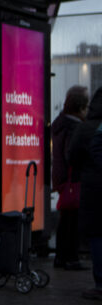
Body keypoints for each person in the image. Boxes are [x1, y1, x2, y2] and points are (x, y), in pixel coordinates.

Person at [68, 87, 102, 300]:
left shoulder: (86, 128)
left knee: (98, 235)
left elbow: (73, 157)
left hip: (94, 189)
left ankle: (100, 284)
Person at [52, 85, 90, 270]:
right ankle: (71, 257)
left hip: (61, 178)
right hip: (73, 179)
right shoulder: (74, 127)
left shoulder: (60, 123)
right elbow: (72, 155)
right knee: (73, 219)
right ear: (80, 107)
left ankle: (61, 256)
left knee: (66, 217)